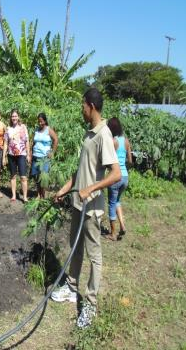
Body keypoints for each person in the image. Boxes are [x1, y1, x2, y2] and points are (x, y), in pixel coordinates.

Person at [51, 88, 121, 329]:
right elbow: (82, 170)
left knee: (95, 257)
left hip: (92, 209)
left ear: (91, 106)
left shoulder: (103, 134)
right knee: (75, 248)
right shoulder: (89, 133)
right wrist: (64, 189)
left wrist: (91, 188)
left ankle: (90, 303)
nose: (81, 109)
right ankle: (71, 288)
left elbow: (116, 174)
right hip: (79, 204)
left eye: (83, 105)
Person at [106, 117, 132, 241]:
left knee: (111, 203)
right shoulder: (126, 141)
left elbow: (108, 160)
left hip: (115, 177)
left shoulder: (113, 141)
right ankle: (122, 225)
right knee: (117, 201)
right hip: (125, 177)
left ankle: (113, 233)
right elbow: (130, 160)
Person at [3, 109, 31, 202]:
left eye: (15, 116)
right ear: (11, 118)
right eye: (12, 116)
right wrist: (4, 156)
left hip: (22, 154)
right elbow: (6, 143)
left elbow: (27, 141)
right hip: (11, 155)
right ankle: (14, 195)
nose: (14, 118)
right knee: (13, 176)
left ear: (18, 117)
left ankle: (25, 197)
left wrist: (28, 154)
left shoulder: (23, 127)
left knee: (23, 177)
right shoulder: (8, 129)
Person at [31, 113, 58, 199]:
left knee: (44, 178)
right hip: (35, 156)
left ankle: (44, 197)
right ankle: (39, 195)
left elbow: (56, 140)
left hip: (44, 158)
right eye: (39, 121)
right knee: (36, 177)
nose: (40, 123)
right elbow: (33, 141)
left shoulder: (48, 130)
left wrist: (52, 152)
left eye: (41, 121)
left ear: (45, 121)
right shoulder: (36, 130)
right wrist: (31, 152)